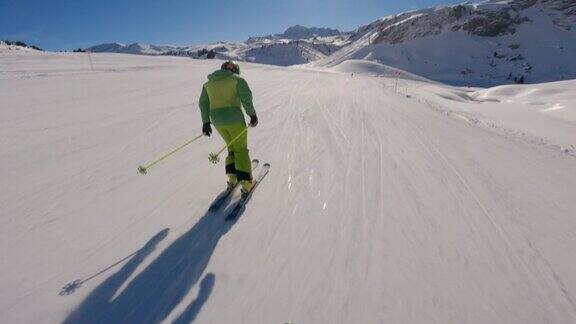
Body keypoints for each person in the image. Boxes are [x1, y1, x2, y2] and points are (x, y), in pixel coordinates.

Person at [199, 61, 258, 194]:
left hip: (218, 122)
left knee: (231, 147)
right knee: (241, 149)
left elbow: (203, 104)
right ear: (234, 69)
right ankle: (247, 184)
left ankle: (232, 178)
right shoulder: (237, 80)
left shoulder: (207, 84)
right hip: (235, 120)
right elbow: (246, 99)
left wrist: (205, 122)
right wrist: (252, 115)